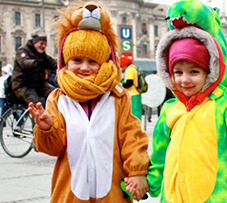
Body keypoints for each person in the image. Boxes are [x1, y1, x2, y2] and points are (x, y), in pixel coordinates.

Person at [125, 1, 227, 201]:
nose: (185, 80)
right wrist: (148, 184)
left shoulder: (223, 105)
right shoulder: (171, 109)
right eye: (178, 72)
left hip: (219, 196)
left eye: (194, 72)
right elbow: (160, 155)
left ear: (210, 72)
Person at [28, 2, 149, 203]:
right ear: (65, 62)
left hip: (111, 193)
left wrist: (137, 170)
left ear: (104, 63)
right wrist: (47, 128)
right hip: (70, 193)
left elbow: (132, 137)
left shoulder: (117, 97)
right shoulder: (58, 99)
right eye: (77, 60)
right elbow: (54, 148)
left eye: (93, 62)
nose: (84, 68)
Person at [12, 32, 57, 105]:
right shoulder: (23, 50)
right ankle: (39, 115)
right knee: (38, 104)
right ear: (35, 43)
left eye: (45, 44)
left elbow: (51, 62)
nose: (43, 46)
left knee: (57, 95)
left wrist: (64, 65)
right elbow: (24, 62)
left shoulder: (42, 54)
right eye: (41, 43)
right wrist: (36, 63)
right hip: (23, 85)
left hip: (38, 84)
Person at [120, 55, 143, 120]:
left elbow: (129, 83)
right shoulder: (133, 68)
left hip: (132, 95)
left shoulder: (129, 69)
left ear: (124, 64)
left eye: (122, 66)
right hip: (136, 94)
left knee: (133, 114)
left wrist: (120, 86)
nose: (122, 69)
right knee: (137, 114)